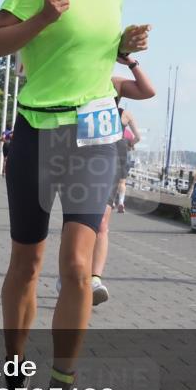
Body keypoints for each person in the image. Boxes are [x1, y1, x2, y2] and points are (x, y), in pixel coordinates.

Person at [0, 0, 150, 390]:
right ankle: (13, 376)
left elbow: (92, 54)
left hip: (95, 137)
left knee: (78, 266)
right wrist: (43, 18)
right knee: (28, 262)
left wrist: (122, 49)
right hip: (37, 133)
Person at [61, 58, 155, 306]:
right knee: (74, 221)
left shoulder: (115, 82)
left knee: (101, 223)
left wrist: (132, 62)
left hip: (107, 159)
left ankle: (94, 278)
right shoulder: (77, 74)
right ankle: (69, 271)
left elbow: (148, 90)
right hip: (76, 155)